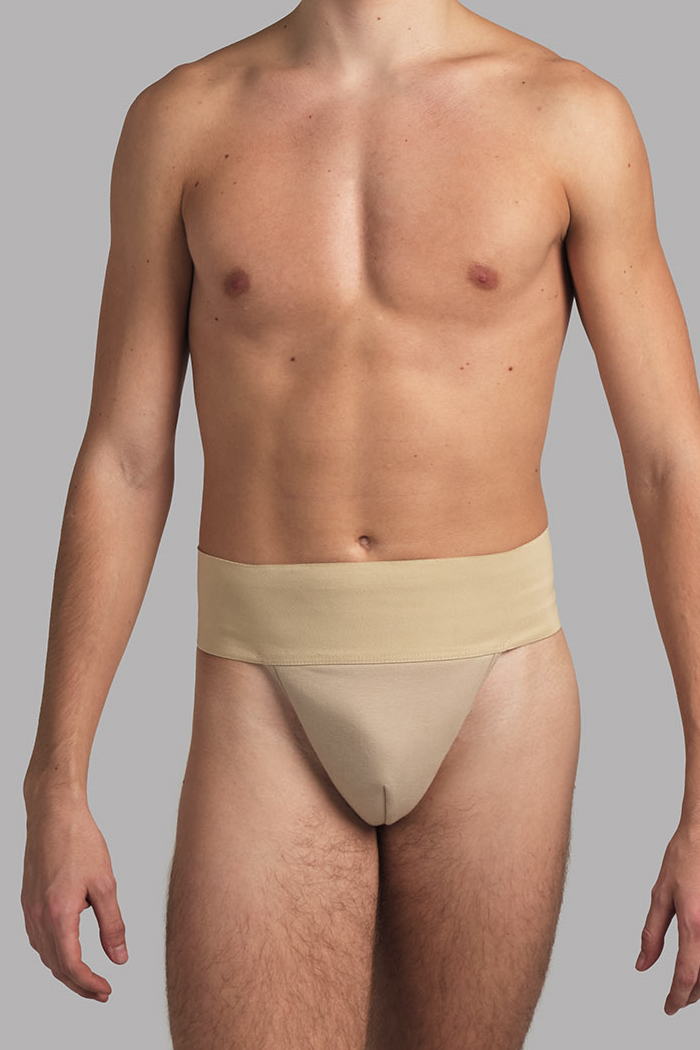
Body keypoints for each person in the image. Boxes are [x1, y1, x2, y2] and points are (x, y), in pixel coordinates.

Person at [21, 1, 700, 1047]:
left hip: (497, 688)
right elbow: (124, 456)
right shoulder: (183, 119)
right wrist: (55, 781)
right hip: (261, 684)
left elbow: (668, 463)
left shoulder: (569, 116)